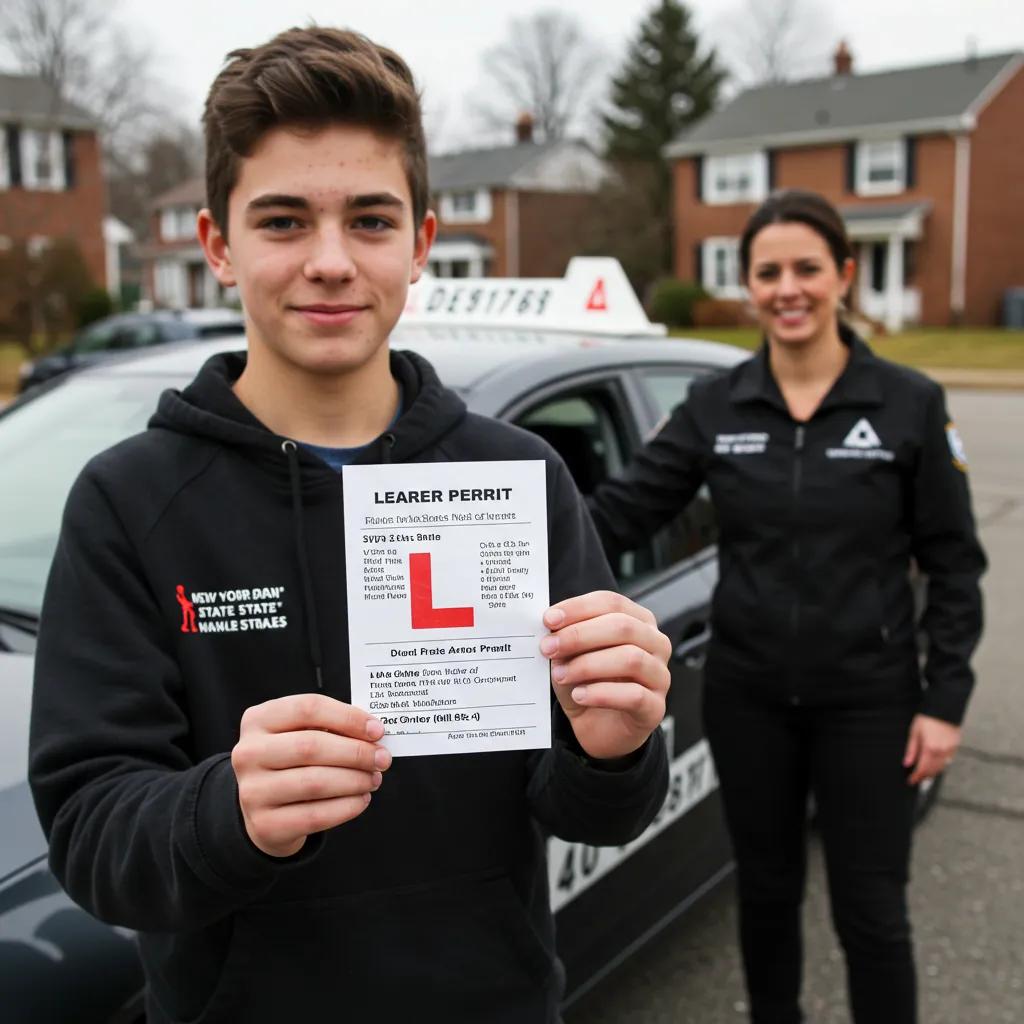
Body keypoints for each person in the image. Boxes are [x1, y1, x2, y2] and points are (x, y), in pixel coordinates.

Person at [28, 27, 671, 1024]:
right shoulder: (127, 501)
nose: (329, 262)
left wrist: (618, 747)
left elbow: (590, 809)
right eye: (284, 221)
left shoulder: (516, 477)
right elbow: (90, 834)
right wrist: (225, 810)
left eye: (370, 220)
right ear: (217, 246)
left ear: (419, 244)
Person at [588, 189, 986, 1024]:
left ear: (843, 274)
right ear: (749, 286)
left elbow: (954, 564)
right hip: (750, 700)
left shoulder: (908, 404)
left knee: (872, 911)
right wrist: (497, 519)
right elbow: (618, 514)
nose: (788, 289)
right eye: (768, 273)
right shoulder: (716, 406)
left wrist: (944, 700)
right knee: (765, 898)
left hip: (870, 702)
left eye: (807, 268)